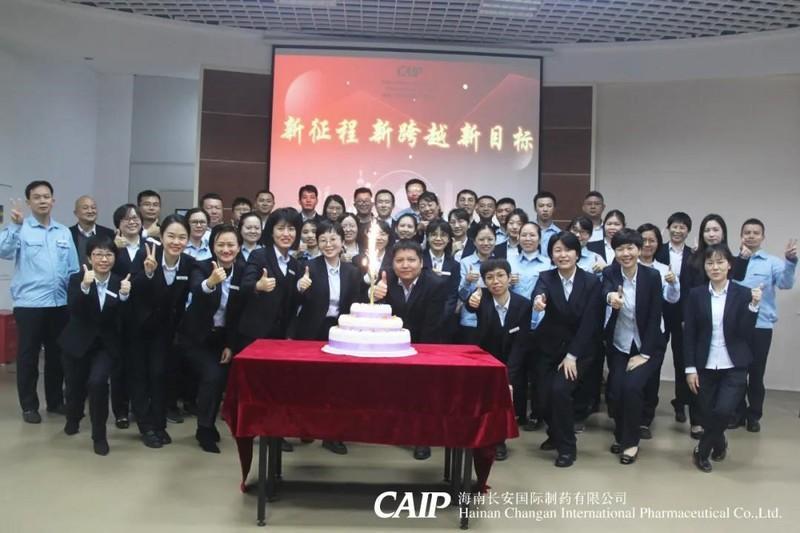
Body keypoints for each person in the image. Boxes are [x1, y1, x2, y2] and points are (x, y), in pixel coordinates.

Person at [0, 180, 79, 423]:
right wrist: (14, 226)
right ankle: (29, 406)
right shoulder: (21, 229)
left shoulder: (63, 232)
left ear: (53, 200)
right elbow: (4, 251)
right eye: (37, 197)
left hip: (59, 304)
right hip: (30, 305)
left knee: (57, 356)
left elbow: (73, 269)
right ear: (29, 202)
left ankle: (55, 402)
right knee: (28, 357)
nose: (43, 201)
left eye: (46, 196)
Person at [684, 244, 761, 473]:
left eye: (720, 262)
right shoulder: (696, 294)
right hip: (705, 364)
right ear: (705, 267)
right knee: (707, 413)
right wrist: (690, 368)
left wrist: (754, 306)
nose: (715, 267)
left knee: (724, 411)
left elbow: (746, 332)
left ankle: (702, 451)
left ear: (729, 265)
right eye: (710, 263)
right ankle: (719, 442)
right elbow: (690, 334)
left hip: (734, 364)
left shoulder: (743, 293)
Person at [372, 239, 448, 460]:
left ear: (421, 262)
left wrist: (415, 355)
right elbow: (373, 313)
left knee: (422, 392)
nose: (405, 265)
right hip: (389, 345)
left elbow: (432, 326)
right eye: (400, 260)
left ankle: (422, 437)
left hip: (424, 344)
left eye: (411, 260)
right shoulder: (384, 278)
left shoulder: (435, 284)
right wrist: (374, 295)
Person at [531, 232, 602, 468]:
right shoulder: (546, 277)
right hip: (548, 347)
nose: (563, 255)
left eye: (568, 250)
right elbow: (539, 292)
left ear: (577, 254)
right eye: (557, 250)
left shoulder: (591, 282)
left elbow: (590, 323)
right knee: (542, 398)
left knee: (560, 391)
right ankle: (554, 433)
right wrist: (538, 301)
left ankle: (567, 448)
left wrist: (572, 355)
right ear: (551, 255)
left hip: (579, 349)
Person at [294, 220, 362, 455]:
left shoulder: (352, 271)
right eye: (323, 239)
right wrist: (300, 288)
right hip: (312, 330)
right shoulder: (308, 267)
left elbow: (355, 304)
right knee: (311, 381)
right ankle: (307, 426)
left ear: (343, 242)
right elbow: (295, 301)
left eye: (333, 239)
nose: (328, 244)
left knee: (338, 384)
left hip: (341, 331)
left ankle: (333, 434)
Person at [60, 235, 130, 455]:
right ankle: (73, 417)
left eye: (108, 254)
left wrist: (124, 297)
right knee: (74, 387)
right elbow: (73, 309)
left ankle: (99, 436)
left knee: (98, 383)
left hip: (105, 346)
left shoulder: (121, 281)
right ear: (89, 258)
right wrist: (84, 286)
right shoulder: (77, 279)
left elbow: (123, 319)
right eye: (98, 254)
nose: (104, 259)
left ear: (115, 258)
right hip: (78, 343)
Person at [129, 215, 194, 448]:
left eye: (182, 237)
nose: (176, 242)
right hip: (138, 327)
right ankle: (146, 427)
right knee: (140, 378)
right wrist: (148, 273)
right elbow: (132, 287)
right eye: (171, 236)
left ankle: (159, 424)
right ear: (162, 236)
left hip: (165, 330)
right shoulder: (146, 254)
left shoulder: (187, 263)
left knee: (159, 376)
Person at [180, 224, 246, 453]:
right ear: (213, 246)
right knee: (213, 376)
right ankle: (204, 429)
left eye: (231, 245)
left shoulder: (242, 271)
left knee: (219, 379)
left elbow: (237, 314)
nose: (226, 249)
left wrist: (230, 344)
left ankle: (208, 424)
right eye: (221, 244)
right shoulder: (201, 266)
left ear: (239, 247)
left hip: (222, 338)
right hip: (196, 337)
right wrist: (210, 282)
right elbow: (197, 290)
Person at [602, 228, 666, 465]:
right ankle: (621, 435)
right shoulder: (610, 272)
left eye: (630, 248)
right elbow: (605, 290)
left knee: (632, 388)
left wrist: (645, 354)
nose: (625, 253)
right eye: (620, 249)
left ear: (639, 250)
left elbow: (655, 316)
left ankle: (630, 443)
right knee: (616, 391)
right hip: (620, 344)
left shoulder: (652, 276)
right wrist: (611, 298)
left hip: (647, 345)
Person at [730, 219, 797, 432]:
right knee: (737, 373)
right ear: (741, 236)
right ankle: (737, 413)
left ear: (762, 237)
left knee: (756, 373)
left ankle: (754, 416)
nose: (751, 236)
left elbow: (786, 284)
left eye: (755, 233)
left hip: (761, 325)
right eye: (747, 232)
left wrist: (790, 262)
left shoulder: (772, 262)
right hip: (736, 326)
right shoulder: (732, 261)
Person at [465, 259, 532, 461]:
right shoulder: (482, 299)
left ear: (510, 278)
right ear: (484, 281)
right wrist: (471, 299)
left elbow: (521, 344)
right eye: (490, 277)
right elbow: (470, 305)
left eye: (500, 275)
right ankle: (481, 437)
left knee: (503, 400)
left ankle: (499, 440)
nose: (496, 281)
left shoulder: (523, 304)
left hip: (512, 360)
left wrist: (508, 376)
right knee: (483, 401)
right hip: (486, 359)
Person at [636, 223, 681, 438]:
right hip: (627, 330)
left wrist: (673, 284)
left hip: (655, 330)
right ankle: (627, 417)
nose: (647, 244)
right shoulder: (626, 264)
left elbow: (672, 299)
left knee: (651, 376)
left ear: (658, 244)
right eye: (643, 240)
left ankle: (645, 419)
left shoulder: (663, 269)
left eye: (652, 240)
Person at [508, 221, 551, 430]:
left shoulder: (548, 263)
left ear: (540, 239)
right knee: (517, 370)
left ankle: (537, 414)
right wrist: (508, 283)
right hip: (516, 324)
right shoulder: (510, 261)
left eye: (532, 235)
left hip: (541, 324)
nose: (527, 239)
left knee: (539, 372)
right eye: (523, 235)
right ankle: (517, 413)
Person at [109, 203, 148, 429]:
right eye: (126, 219)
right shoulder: (111, 248)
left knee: (141, 365)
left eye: (135, 218)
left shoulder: (152, 245)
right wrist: (114, 249)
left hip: (145, 314)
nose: (132, 222)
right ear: (118, 224)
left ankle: (140, 407)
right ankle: (121, 410)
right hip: (119, 313)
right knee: (119, 365)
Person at [655, 212, 695, 425]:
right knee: (655, 356)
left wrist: (689, 315)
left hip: (682, 314)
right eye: (675, 226)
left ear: (688, 231)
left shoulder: (693, 254)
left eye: (682, 227)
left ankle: (681, 403)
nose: (678, 231)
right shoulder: (658, 250)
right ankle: (649, 402)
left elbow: (693, 287)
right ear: (668, 228)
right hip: (660, 311)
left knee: (681, 359)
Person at [457, 223, 497, 344]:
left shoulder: (501, 263)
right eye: (481, 239)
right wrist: (467, 281)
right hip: (470, 320)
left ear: (495, 241)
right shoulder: (465, 262)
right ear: (474, 241)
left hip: (494, 321)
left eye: (490, 239)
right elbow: (461, 296)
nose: (486, 243)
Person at [423, 219, 461, 342]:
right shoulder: (419, 260)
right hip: (420, 319)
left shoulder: (454, 265)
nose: (438, 239)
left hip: (444, 323)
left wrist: (441, 318)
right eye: (434, 235)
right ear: (428, 237)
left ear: (449, 239)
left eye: (443, 235)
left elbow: (452, 295)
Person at [69, 195, 115, 265]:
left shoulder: (108, 234)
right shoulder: (68, 233)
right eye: (85, 208)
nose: (90, 211)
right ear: (76, 213)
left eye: (93, 208)